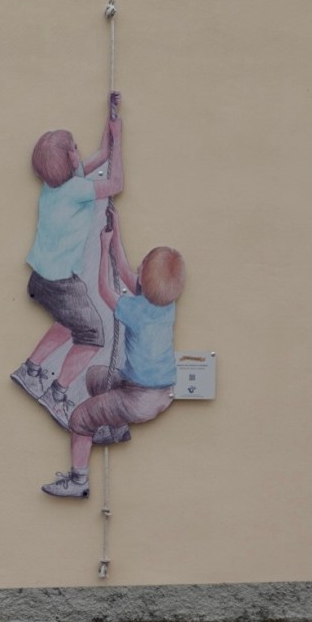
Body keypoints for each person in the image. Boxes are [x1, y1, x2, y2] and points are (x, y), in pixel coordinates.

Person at [42, 210, 184, 498]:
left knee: (80, 418)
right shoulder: (165, 306)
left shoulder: (134, 310)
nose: (137, 267)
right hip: (159, 393)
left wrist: (104, 246)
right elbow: (125, 272)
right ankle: (116, 428)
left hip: (137, 398)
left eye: (142, 265)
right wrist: (115, 228)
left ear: (145, 277)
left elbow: (105, 289)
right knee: (96, 377)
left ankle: (78, 480)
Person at [12, 92, 124, 428]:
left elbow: (102, 155)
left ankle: (30, 369)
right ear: (69, 159)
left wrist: (111, 126)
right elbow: (116, 183)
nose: (79, 151)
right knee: (93, 335)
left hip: (40, 280)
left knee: (68, 321)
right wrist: (120, 142)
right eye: (75, 148)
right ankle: (58, 393)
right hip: (62, 282)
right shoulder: (76, 190)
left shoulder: (54, 187)